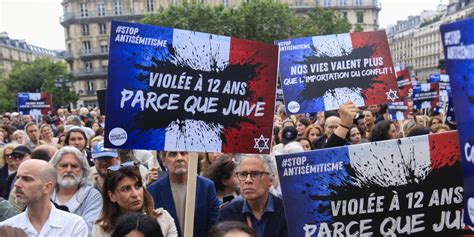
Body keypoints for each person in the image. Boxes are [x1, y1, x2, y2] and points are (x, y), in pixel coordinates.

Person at [1, 159, 88, 236]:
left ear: (47, 187)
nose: (17, 184)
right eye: (17, 178)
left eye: (27, 179)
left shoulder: (73, 225)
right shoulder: (7, 228)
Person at [93, 162, 177, 237]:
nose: (135, 194)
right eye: (126, 189)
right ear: (112, 196)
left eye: (138, 186)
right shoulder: (101, 229)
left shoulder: (163, 219)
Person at [148, 151, 220, 237]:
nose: (179, 158)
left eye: (184, 153)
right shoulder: (153, 191)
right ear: (163, 161)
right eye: (173, 154)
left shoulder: (207, 187)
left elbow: (214, 226)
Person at [217, 154, 288, 237]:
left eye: (255, 174)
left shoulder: (287, 212)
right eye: (243, 174)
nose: (248, 180)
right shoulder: (227, 214)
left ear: (271, 179)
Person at [50, 146, 102, 234]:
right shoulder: (45, 193)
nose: (69, 170)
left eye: (74, 166)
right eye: (64, 165)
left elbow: (87, 231)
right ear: (54, 168)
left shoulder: (92, 196)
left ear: (83, 170)